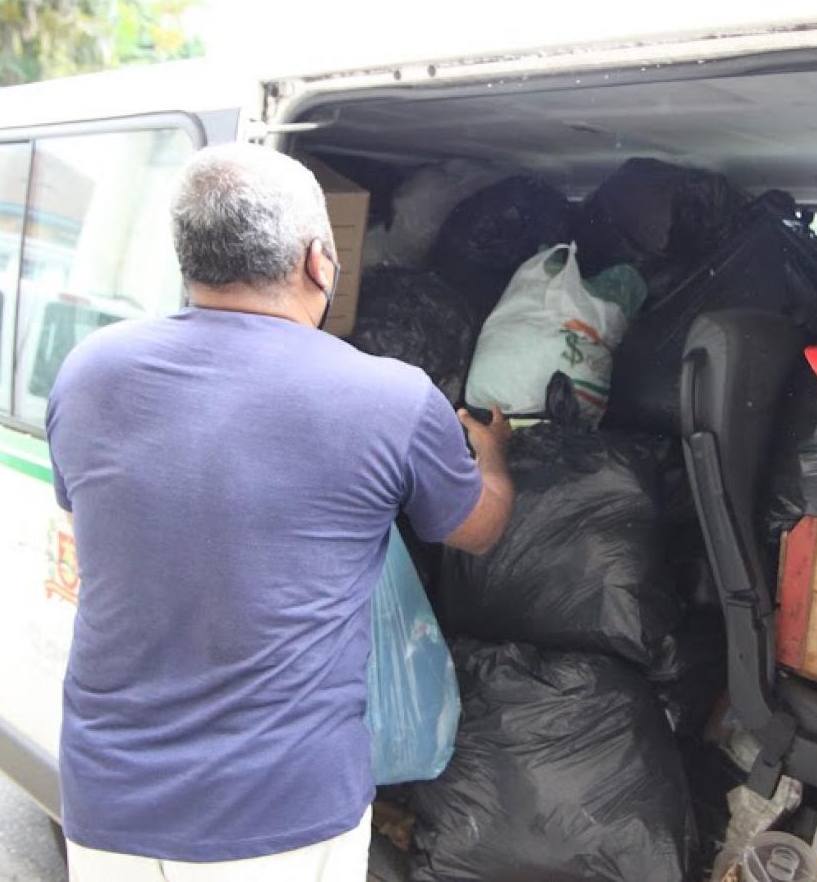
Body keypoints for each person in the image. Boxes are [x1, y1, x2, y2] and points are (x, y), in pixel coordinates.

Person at [45, 143, 513, 880]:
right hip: (284, 816)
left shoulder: (89, 372)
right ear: (320, 262)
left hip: (111, 802)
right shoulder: (390, 398)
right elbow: (478, 527)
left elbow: (104, 516)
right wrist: (491, 454)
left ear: (188, 259)